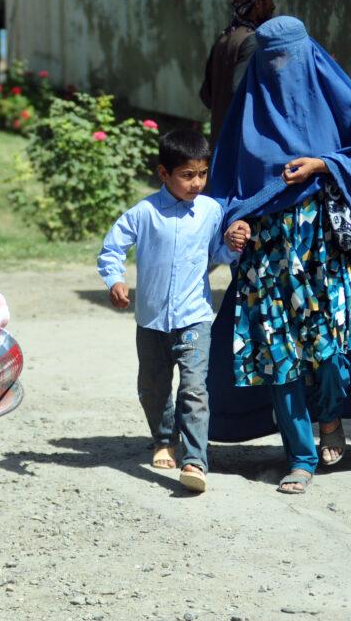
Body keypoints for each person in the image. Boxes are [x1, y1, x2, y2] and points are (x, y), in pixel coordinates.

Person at [205, 16, 351, 494]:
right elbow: (227, 188)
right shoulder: (246, 112)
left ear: (308, 55)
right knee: (280, 359)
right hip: (266, 258)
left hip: (323, 253)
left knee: (331, 354)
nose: (282, 71)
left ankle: (330, 417)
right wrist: (234, 222)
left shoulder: (335, 98)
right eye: (272, 61)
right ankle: (300, 455)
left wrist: (323, 162)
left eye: (290, 58)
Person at [98, 129, 250, 493]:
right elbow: (112, 248)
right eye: (187, 175)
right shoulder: (144, 212)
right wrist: (114, 280)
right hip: (150, 319)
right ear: (164, 173)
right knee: (152, 387)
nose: (196, 182)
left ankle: (195, 459)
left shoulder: (212, 211)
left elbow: (216, 256)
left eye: (201, 174)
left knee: (195, 388)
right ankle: (163, 437)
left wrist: (231, 244)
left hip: (194, 316)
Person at [199, 0, 277, 146]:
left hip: (220, 142)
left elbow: (206, 96)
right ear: (258, 2)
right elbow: (242, 95)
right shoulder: (253, 41)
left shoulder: (224, 37)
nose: (273, 5)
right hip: (241, 146)